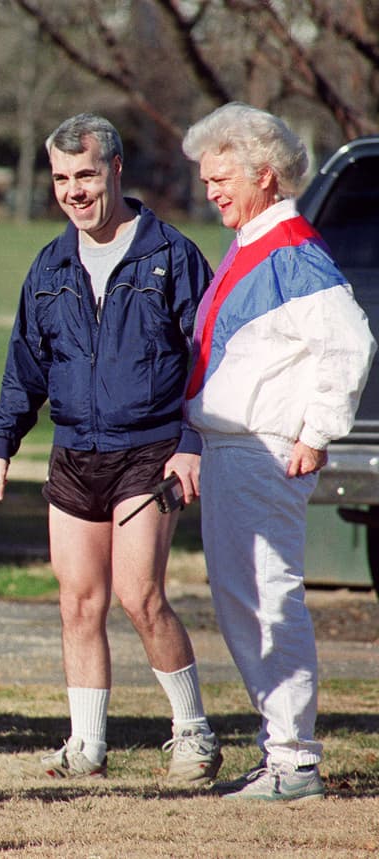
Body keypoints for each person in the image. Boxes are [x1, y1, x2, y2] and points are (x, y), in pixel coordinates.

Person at [0, 114, 222, 783]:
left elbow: (207, 358)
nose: (73, 191)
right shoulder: (51, 264)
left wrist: (192, 443)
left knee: (141, 594)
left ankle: (194, 732)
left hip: (151, 450)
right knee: (79, 601)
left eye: (85, 174)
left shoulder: (171, 256)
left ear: (114, 169)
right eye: (61, 177)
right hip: (74, 453)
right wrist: (0, 442)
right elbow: (25, 364)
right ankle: (87, 745)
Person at [181, 103, 375, 801]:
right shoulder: (253, 243)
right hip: (234, 448)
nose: (211, 190)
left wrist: (317, 431)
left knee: (269, 600)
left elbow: (351, 340)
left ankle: (294, 761)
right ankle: (282, 753)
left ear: (265, 173)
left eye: (221, 176)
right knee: (244, 603)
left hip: (263, 452)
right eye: (206, 180)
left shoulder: (290, 249)